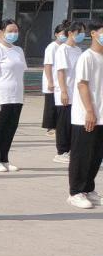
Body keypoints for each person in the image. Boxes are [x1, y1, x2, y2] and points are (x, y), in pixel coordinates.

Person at [67, 19, 103, 208]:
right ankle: (75, 192)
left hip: (102, 115)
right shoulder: (87, 57)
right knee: (82, 155)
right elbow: (82, 84)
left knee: (96, 155)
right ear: (94, 34)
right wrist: (90, 111)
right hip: (86, 115)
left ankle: (88, 189)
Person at [0, 18, 27, 172]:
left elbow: (20, 73)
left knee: (10, 129)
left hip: (16, 96)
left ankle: (4, 158)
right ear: (1, 32)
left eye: (16, 31)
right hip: (0, 96)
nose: (13, 34)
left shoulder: (18, 50)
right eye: (10, 31)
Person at [53, 22, 86, 164]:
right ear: (71, 33)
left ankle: (71, 149)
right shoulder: (63, 49)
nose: (82, 35)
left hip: (76, 92)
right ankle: (61, 151)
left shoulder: (78, 50)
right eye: (80, 32)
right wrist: (64, 91)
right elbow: (61, 72)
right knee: (64, 123)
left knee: (73, 123)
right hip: (65, 91)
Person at [42, 23, 66, 133]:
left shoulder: (65, 47)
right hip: (52, 80)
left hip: (60, 81)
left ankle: (57, 125)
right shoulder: (52, 47)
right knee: (51, 105)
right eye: (62, 34)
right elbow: (48, 64)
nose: (64, 36)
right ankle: (50, 127)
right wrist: (50, 81)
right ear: (56, 34)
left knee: (57, 105)